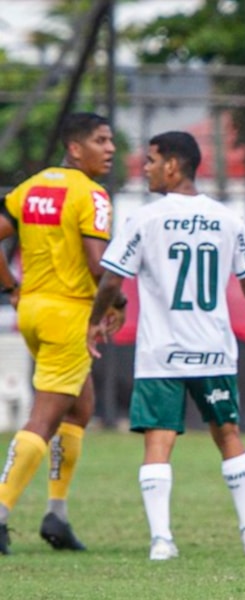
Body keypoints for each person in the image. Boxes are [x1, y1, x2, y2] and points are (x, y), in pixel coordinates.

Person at [86, 131, 245, 560]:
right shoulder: (227, 218)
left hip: (161, 353)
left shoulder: (144, 219)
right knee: (229, 434)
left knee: (158, 441)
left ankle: (162, 540)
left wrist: (94, 320)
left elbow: (111, 279)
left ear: (173, 166)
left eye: (153, 160)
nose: (147, 168)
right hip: (213, 350)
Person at [0, 112, 125, 555]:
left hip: (32, 310)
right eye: (100, 140)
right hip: (69, 314)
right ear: (75, 148)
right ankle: (0, 510)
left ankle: (57, 516)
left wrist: (11, 287)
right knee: (45, 417)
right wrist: (117, 303)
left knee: (79, 409)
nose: (110, 148)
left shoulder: (30, 187)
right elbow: (98, 265)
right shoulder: (91, 195)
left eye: (111, 140)